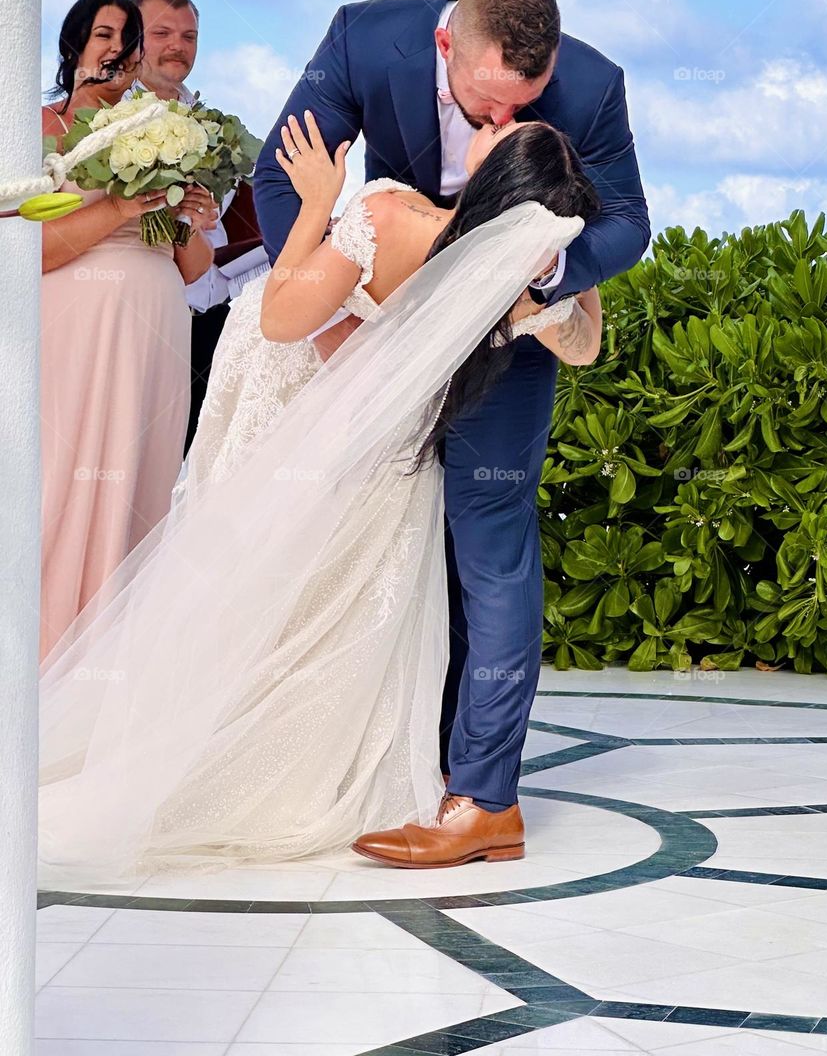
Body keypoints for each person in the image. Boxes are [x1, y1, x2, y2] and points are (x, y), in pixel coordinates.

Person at [36, 115, 600, 890]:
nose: (492, 122)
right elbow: (586, 346)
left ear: (498, 180)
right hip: (383, 449)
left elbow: (279, 319)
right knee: (327, 602)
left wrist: (315, 203)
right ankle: (283, 757)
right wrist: (567, 271)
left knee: (248, 584)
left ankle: (200, 760)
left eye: (503, 133)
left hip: (291, 397)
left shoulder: (389, 217)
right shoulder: (507, 284)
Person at [254, 0, 649, 867]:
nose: (505, 126)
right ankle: (402, 762)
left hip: (508, 332)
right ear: (445, 50)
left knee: (490, 539)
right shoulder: (364, 38)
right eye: (486, 106)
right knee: (383, 544)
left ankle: (481, 800)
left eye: (527, 105)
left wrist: (534, 275)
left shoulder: (592, 84)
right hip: (381, 317)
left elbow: (628, 223)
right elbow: (277, 174)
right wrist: (332, 310)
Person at [39, 0, 212, 661]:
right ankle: (45, 653)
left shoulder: (158, 130)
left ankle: (112, 663)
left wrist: (187, 214)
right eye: (104, 34)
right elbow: (35, 250)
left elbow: (194, 267)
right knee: (65, 482)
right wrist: (116, 207)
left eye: (127, 38)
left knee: (140, 488)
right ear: (76, 46)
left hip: (157, 334)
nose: (118, 48)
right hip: (82, 331)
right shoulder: (47, 130)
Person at [127, 0, 270, 454]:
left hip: (213, 312)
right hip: (142, 312)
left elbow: (226, 218)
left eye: (189, 36)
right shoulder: (111, 119)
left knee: (194, 459)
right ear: (133, 39)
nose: (178, 47)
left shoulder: (213, 127)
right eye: (162, 33)